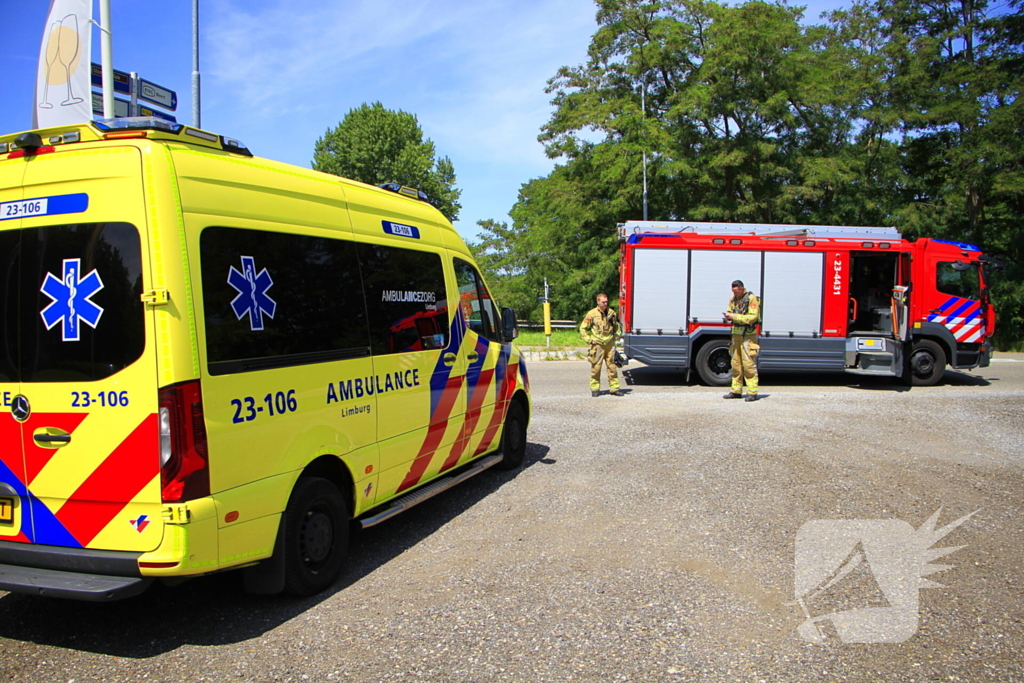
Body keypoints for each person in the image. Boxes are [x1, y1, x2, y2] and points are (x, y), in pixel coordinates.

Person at [579, 293, 624, 397]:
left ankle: (614, 388)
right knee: (596, 367)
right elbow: (583, 328)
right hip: (598, 344)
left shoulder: (611, 313)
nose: (605, 304)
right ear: (598, 301)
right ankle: (595, 389)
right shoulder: (592, 314)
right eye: (603, 302)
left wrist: (617, 335)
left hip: (609, 344)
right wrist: (589, 340)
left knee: (612, 367)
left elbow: (617, 326)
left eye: (606, 302)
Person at [723, 280, 761, 402]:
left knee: (748, 365)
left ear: (741, 288)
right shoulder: (733, 298)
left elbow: (753, 317)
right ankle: (736, 391)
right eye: (733, 291)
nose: (734, 294)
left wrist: (735, 317)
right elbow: (729, 310)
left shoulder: (751, 298)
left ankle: (752, 392)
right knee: (735, 364)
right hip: (736, 336)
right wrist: (728, 316)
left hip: (747, 337)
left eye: (736, 291)